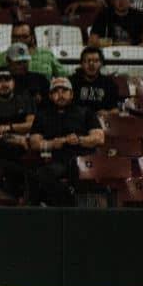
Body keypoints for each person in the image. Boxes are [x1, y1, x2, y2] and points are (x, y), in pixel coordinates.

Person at [28, 77, 104, 206]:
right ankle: (69, 205)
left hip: (82, 158)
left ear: (72, 94)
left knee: (79, 169)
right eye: (56, 91)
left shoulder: (85, 112)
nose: (60, 95)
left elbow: (99, 138)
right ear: (50, 96)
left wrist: (79, 139)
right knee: (41, 174)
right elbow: (34, 143)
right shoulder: (42, 115)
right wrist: (53, 143)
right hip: (57, 160)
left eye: (64, 91)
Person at [0, 69, 35, 195]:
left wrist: (8, 128)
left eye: (7, 80)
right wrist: (17, 138)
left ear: (13, 83)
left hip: (27, 140)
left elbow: (31, 124)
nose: (4, 84)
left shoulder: (25, 99)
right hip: (3, 144)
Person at [70, 47, 120, 118]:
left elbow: (116, 110)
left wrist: (108, 113)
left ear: (101, 63)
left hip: (101, 121)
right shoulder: (72, 82)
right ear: (82, 64)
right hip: (77, 120)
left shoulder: (109, 84)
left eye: (96, 61)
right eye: (88, 61)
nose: (91, 64)